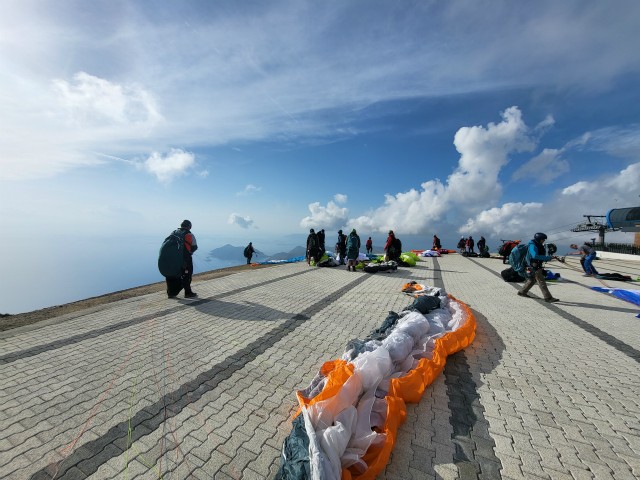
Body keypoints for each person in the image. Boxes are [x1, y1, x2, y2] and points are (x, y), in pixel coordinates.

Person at [517, 232, 559, 303]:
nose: (544, 241)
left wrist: (549, 257)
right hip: (535, 265)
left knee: (532, 279)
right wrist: (547, 258)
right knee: (541, 281)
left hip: (534, 265)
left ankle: (522, 292)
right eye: (543, 239)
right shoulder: (533, 245)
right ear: (539, 239)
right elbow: (534, 256)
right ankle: (548, 297)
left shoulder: (537, 244)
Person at [167, 220, 198, 299]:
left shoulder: (174, 233)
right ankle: (188, 293)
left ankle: (170, 293)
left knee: (173, 275)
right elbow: (194, 247)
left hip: (173, 259)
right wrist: (189, 252)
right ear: (189, 226)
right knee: (187, 275)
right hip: (185, 260)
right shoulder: (189, 234)